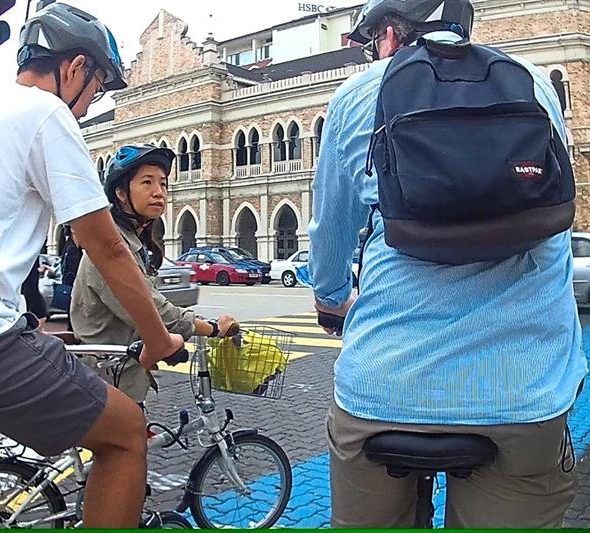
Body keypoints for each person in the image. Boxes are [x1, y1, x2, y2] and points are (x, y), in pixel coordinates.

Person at [307, 0, 587, 528]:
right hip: (523, 393)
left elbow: (331, 233)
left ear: (389, 33)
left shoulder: (355, 98)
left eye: (372, 43)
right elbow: (556, 217)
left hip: (383, 390)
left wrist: (330, 300)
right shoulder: (534, 85)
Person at [0, 3, 186, 528]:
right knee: (126, 434)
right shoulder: (43, 113)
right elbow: (104, 247)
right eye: (98, 88)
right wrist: (157, 338)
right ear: (75, 67)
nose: (86, 108)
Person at [71, 144, 239, 406]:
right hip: (108, 378)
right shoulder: (109, 248)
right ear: (121, 194)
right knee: (129, 445)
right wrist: (213, 328)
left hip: (125, 372)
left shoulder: (132, 244)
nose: (158, 192)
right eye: (147, 183)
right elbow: (153, 308)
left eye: (162, 184)